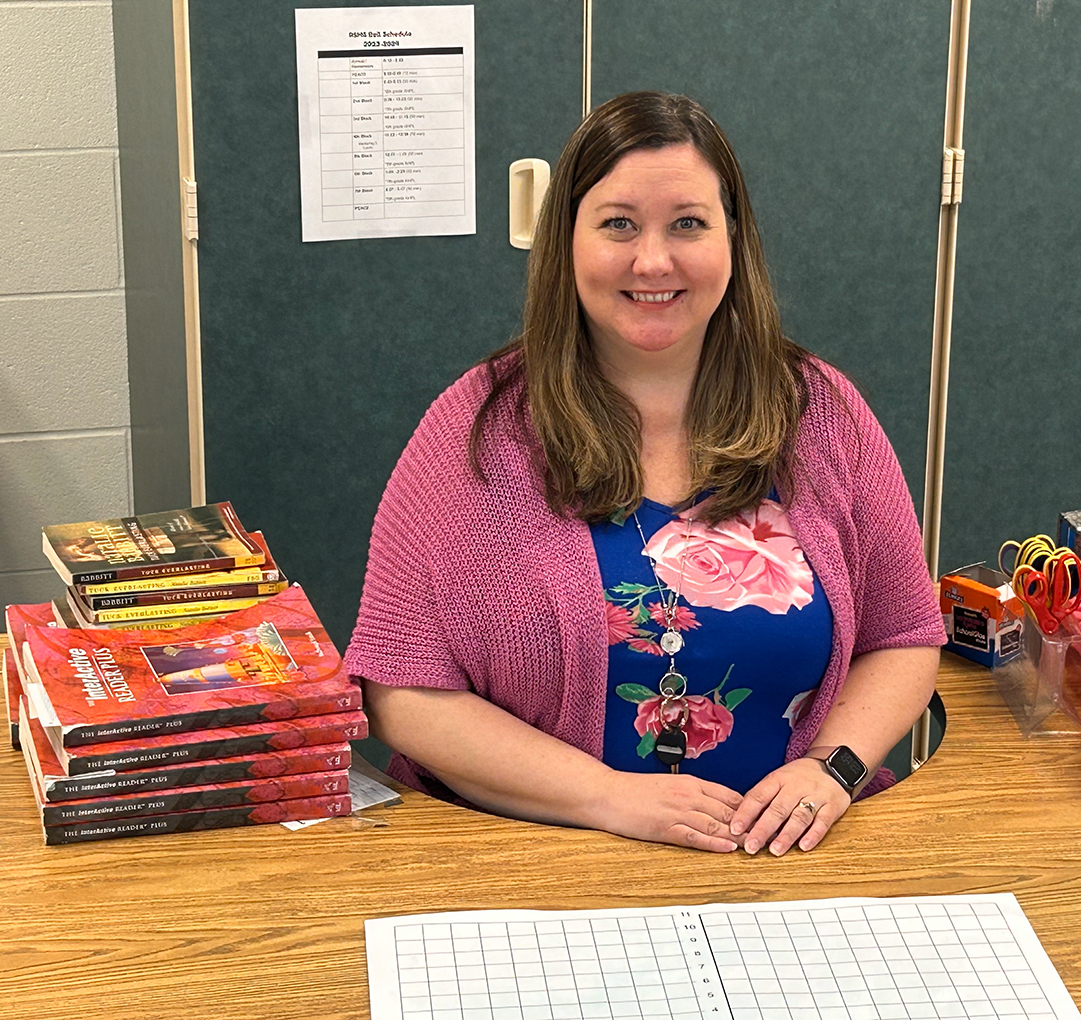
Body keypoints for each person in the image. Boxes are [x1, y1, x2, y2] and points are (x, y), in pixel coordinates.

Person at [345, 92, 944, 856]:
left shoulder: (821, 413)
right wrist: (608, 799)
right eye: (618, 223)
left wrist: (834, 770)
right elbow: (402, 692)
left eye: (688, 223)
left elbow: (903, 636)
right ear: (566, 241)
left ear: (735, 238)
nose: (653, 260)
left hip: (786, 867)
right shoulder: (476, 430)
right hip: (529, 868)